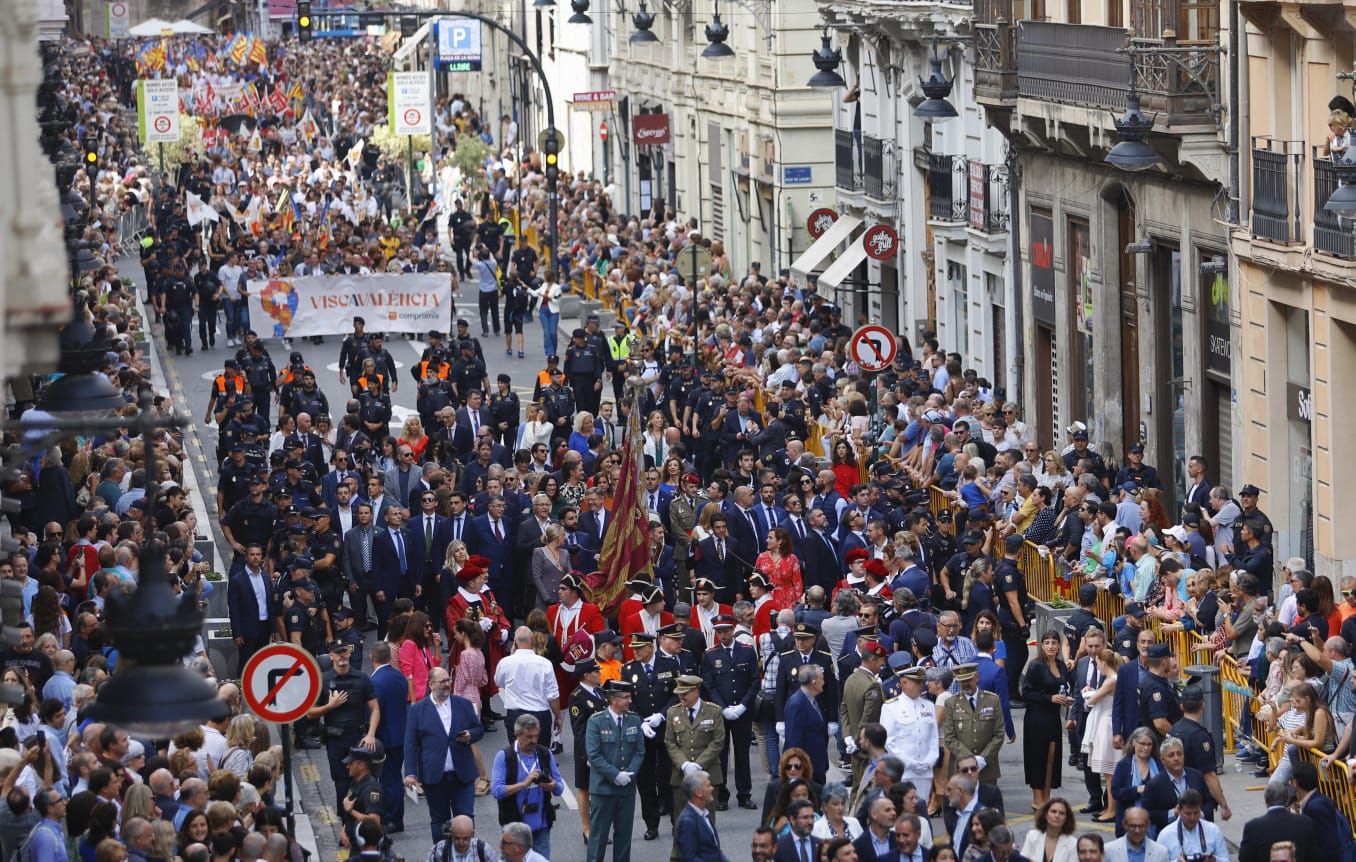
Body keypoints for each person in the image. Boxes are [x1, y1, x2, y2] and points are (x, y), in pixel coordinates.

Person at [403, 667, 485, 842]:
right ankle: (441, 855)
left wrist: (471, 735)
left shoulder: (463, 704)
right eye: (443, 682)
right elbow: (410, 743)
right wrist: (410, 773)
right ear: (431, 685)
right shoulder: (417, 710)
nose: (447, 685)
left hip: (462, 775)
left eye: (448, 680)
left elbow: (479, 729)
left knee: (465, 820)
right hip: (434, 777)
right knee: (440, 822)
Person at [585, 679, 646, 862]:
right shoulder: (596, 721)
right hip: (603, 789)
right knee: (599, 837)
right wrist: (615, 775)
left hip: (626, 788)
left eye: (629, 697)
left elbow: (640, 751)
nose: (629, 701)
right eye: (625, 697)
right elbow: (594, 755)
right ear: (613, 699)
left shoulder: (634, 719)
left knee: (624, 836)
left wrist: (629, 773)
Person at [492, 713, 564, 858]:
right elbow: (497, 791)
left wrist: (553, 786)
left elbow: (560, 787)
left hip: (541, 825)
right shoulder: (505, 756)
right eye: (529, 737)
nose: (533, 740)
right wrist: (524, 784)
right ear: (517, 735)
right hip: (514, 829)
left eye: (536, 736)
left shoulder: (544, 754)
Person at [664, 673, 725, 839]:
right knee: (681, 823)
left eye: (685, 693)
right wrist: (684, 765)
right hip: (681, 776)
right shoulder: (673, 713)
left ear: (696, 691)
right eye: (679, 693)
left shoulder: (713, 711)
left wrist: (698, 765)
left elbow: (718, 742)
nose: (681, 696)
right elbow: (670, 742)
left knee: (707, 823)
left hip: (708, 774)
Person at [1021, 630, 1074, 807]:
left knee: (1052, 756)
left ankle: (1047, 796)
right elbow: (1026, 693)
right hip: (1036, 717)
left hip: (1052, 717)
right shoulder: (1035, 666)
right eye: (1047, 642)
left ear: (1059, 646)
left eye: (1054, 642)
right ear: (1042, 645)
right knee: (1037, 757)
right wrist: (1049, 698)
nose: (1051, 646)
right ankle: (1037, 799)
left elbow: (1062, 688)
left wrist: (1065, 699)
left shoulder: (1061, 665)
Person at [942, 664, 1005, 784]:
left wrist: (983, 759)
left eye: (968, 679)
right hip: (961, 768)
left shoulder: (992, 700)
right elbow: (949, 738)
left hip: (986, 767)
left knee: (987, 800)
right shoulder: (951, 703)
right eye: (962, 681)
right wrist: (970, 759)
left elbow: (999, 734)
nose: (965, 684)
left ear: (977, 677)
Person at [1239, 784, 1316, 862]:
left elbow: (1244, 858)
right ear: (1286, 799)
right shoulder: (1305, 822)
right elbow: (1313, 854)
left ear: (1266, 800)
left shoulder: (1253, 827)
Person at [782, 664, 831, 781]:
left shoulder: (811, 700)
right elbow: (794, 741)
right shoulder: (797, 704)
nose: (824, 682)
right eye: (822, 679)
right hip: (806, 772)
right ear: (814, 683)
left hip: (816, 767)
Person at [1156, 790, 1230, 862]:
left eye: (1196, 813)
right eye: (1188, 813)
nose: (1192, 818)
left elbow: (1226, 859)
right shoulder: (1165, 835)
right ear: (1179, 810)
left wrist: (1214, 860)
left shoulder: (1213, 830)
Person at [674, 769, 730, 862]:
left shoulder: (704, 813)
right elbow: (690, 857)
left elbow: (714, 850)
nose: (712, 788)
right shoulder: (688, 821)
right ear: (698, 793)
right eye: (708, 786)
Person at [1019, 798, 1078, 862]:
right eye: (1053, 811)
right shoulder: (1032, 836)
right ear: (1046, 815)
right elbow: (1023, 860)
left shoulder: (1073, 843)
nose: (1057, 815)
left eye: (1062, 813)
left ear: (1066, 819)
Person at [1103, 808, 1168, 862]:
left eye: (1141, 826)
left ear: (1148, 825)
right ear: (1124, 825)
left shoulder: (1161, 852)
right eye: (1133, 826)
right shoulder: (1108, 850)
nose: (1137, 830)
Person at [424, 815, 495, 862]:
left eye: (465, 838)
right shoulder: (440, 849)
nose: (461, 843)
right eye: (457, 838)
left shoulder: (483, 850)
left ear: (472, 834)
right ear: (451, 833)